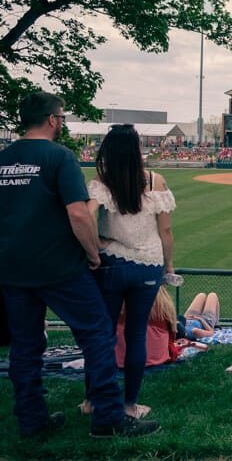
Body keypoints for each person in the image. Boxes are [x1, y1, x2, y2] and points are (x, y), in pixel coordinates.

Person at [0, 92, 158, 438]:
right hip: (58, 266)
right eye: (63, 118)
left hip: (12, 268)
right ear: (53, 119)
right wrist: (92, 254)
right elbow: (78, 214)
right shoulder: (60, 156)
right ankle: (108, 418)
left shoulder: (4, 158)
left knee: (25, 346)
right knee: (98, 336)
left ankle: (32, 421)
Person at [87, 123, 176, 420]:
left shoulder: (102, 180)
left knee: (104, 334)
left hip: (111, 263)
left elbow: (85, 217)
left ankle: (94, 400)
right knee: (136, 334)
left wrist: (98, 242)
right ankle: (129, 405)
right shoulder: (154, 180)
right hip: (147, 265)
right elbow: (166, 231)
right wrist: (169, 266)